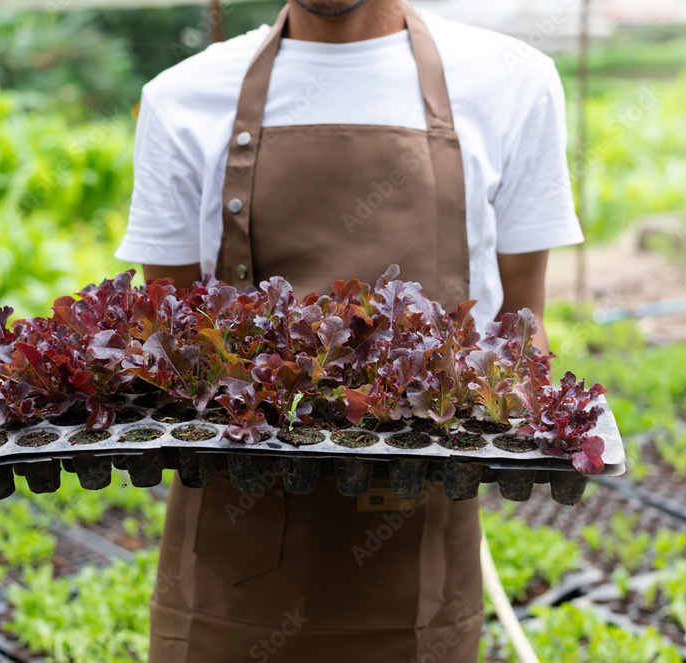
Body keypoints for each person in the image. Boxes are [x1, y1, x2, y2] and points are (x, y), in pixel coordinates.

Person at [114, 0, 583, 660]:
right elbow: (172, 349)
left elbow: (522, 329)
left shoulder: (512, 82)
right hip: (233, 569)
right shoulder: (182, 99)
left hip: (420, 560)